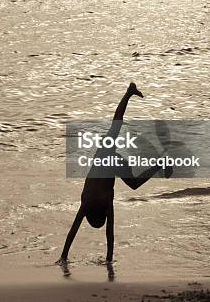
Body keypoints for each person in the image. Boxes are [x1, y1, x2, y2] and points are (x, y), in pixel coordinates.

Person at [56, 83, 169, 265]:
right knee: (116, 123)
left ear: (100, 215)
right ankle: (128, 93)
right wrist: (63, 255)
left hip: (107, 159)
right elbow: (74, 231)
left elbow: (109, 233)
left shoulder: (103, 203)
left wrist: (108, 260)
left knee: (133, 182)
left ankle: (159, 164)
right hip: (104, 156)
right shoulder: (87, 203)